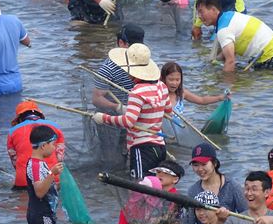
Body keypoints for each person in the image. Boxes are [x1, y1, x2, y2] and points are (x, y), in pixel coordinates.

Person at [92, 43, 172, 179]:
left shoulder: (137, 91)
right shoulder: (162, 86)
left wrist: (104, 118)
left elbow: (129, 121)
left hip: (142, 147)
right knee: (155, 184)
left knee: (140, 185)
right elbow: (168, 110)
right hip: (159, 145)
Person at [180, 143, 247, 224]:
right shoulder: (193, 191)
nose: (200, 169)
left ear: (215, 163)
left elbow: (246, 215)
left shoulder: (232, 186)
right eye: (195, 165)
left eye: (204, 164)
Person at [196, 0, 273, 72]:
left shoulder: (224, 29)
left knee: (238, 79)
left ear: (213, 9)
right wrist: (214, 60)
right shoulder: (229, 15)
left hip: (270, 56)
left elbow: (230, 61)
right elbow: (230, 50)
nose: (199, 16)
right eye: (198, 13)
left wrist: (225, 85)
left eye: (201, 11)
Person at [115, 161, 184, 224]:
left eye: (165, 173)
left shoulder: (175, 198)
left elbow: (170, 220)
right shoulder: (147, 199)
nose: (160, 175)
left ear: (175, 179)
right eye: (158, 172)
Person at [7, 101, 65, 190]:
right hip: (51, 177)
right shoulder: (55, 126)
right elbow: (60, 156)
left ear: (19, 118)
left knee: (23, 202)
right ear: (39, 114)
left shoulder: (12, 131)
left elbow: (13, 158)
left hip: (24, 180)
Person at [92, 23, 144, 111]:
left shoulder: (144, 63)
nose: (136, 51)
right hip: (114, 115)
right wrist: (118, 108)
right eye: (132, 47)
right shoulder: (108, 69)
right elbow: (96, 99)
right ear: (121, 43)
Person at [26, 125, 64, 224]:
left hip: (43, 213)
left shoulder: (39, 163)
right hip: (42, 215)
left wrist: (59, 185)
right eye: (53, 144)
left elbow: (45, 187)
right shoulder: (35, 165)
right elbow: (39, 192)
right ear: (43, 146)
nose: (54, 148)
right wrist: (52, 173)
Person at [161, 62, 226, 117]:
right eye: (171, 79)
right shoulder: (159, 94)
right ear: (163, 79)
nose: (174, 83)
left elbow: (202, 100)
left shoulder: (182, 93)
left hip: (178, 129)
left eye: (177, 79)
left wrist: (219, 98)